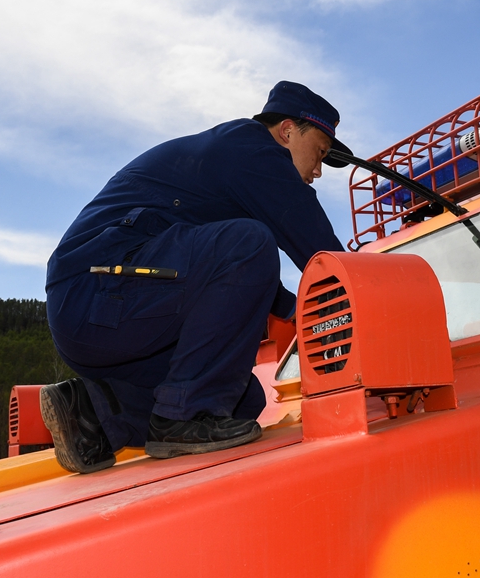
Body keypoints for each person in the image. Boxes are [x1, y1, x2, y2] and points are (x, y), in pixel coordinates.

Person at [40, 81, 349, 473]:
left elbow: (240, 278)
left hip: (105, 312)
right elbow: (322, 252)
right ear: (287, 131)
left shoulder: (231, 168)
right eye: (319, 153)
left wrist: (297, 311)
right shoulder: (253, 150)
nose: (318, 171)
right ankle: (180, 421)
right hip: (95, 289)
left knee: (241, 400)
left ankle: (94, 414)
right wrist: (378, 304)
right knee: (252, 243)